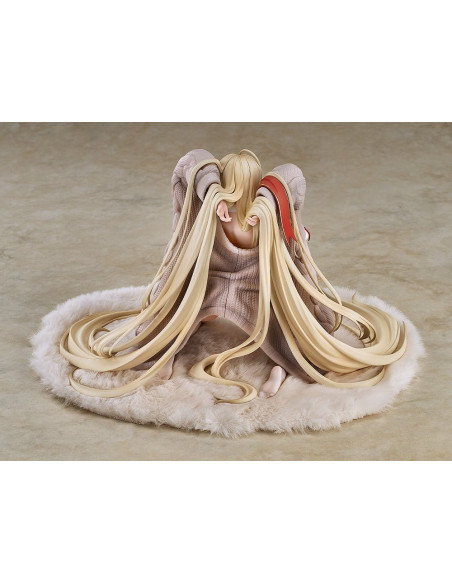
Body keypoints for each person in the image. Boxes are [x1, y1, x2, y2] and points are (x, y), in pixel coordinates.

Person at [60, 149, 407, 404]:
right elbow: (292, 176)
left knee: (176, 314)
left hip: (211, 287)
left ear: (225, 179)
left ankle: (163, 357)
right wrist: (269, 201)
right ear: (256, 182)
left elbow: (191, 162)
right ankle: (281, 369)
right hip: (248, 293)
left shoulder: (208, 213)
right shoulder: (268, 218)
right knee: (287, 334)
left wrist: (210, 191)